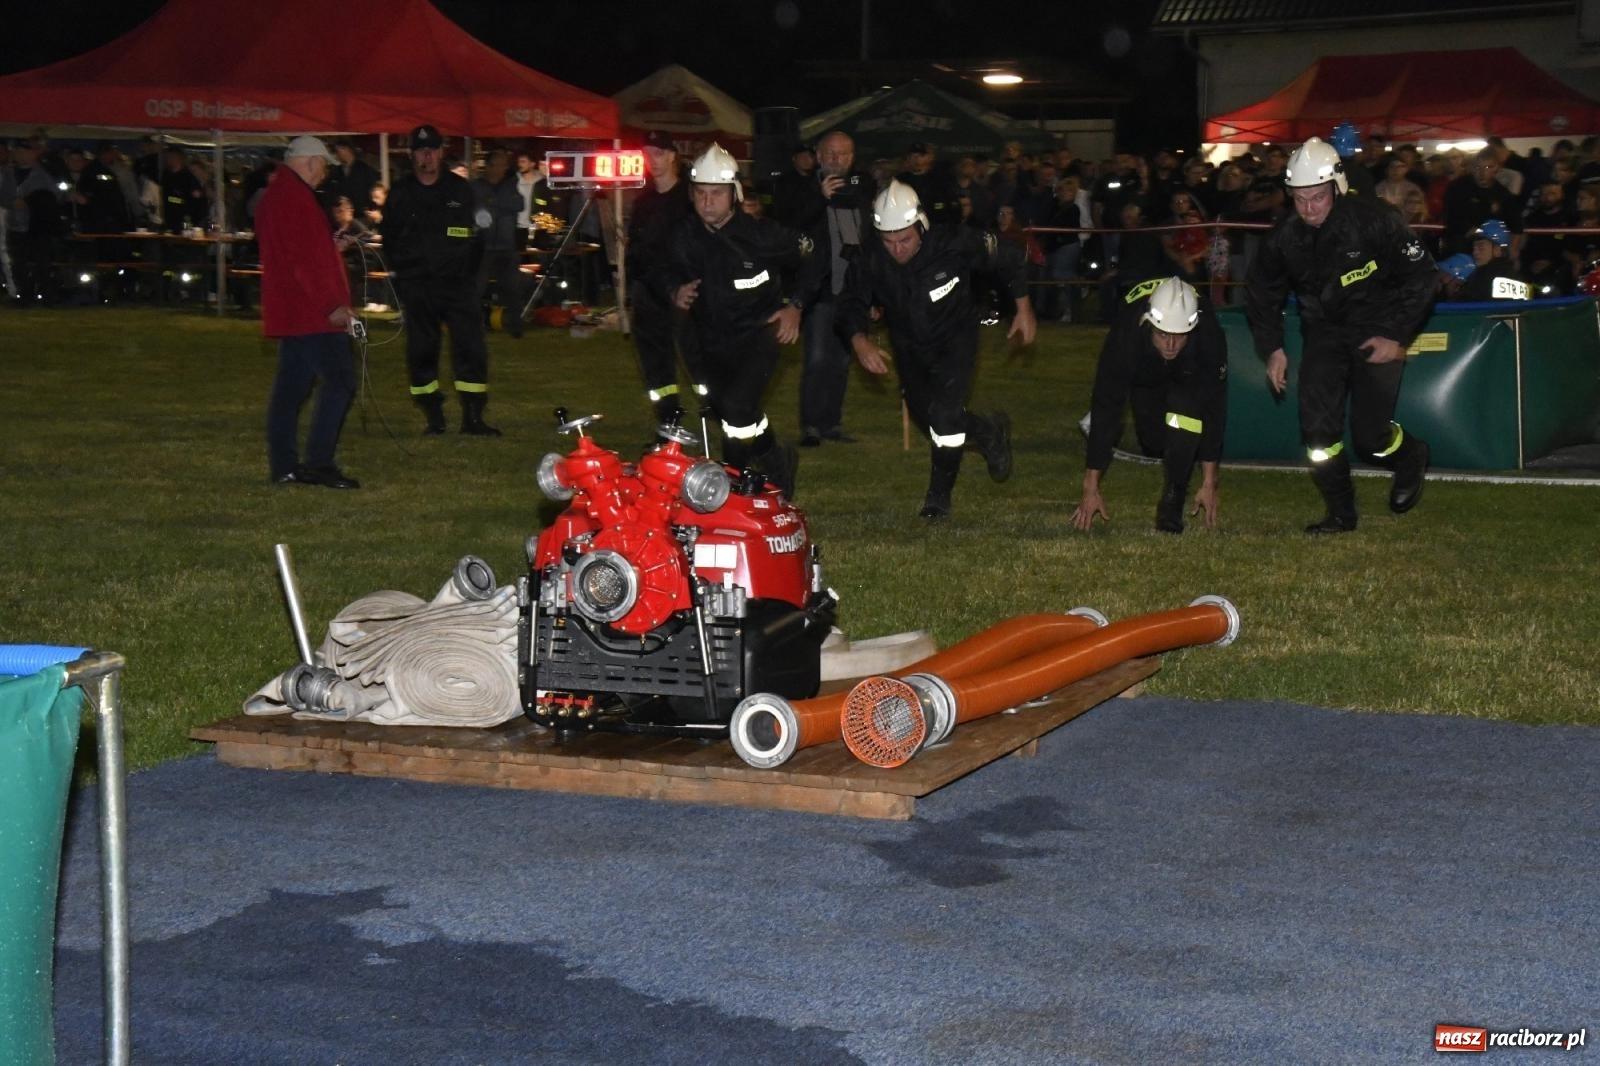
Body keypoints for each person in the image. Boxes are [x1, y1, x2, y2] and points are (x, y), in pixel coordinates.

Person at [1246, 136, 1436, 534]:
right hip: (1324, 334)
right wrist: (1273, 348)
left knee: (1371, 439)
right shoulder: (1285, 236)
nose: (1308, 208)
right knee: (1317, 434)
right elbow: (1262, 290)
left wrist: (1394, 334)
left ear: (1336, 187)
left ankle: (1410, 454)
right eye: (1299, 199)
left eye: (1317, 197)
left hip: (1377, 329)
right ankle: (1340, 512)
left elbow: (1422, 277)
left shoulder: (1375, 219)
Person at [836, 180, 1036, 519]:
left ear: (921, 226)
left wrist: (1024, 308)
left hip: (956, 339)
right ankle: (988, 432)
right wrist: (859, 339)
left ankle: (938, 498)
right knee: (925, 414)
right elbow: (849, 302)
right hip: (908, 345)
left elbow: (1010, 257)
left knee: (944, 418)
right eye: (889, 241)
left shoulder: (954, 242)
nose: (897, 249)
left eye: (905, 239)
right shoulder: (871, 257)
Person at [660, 143, 815, 497]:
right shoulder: (683, 236)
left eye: (716, 193)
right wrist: (674, 290)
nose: (707, 201)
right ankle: (777, 462)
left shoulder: (763, 235)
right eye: (700, 192)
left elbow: (813, 258)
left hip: (763, 332)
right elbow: (660, 268)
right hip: (711, 339)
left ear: (735, 194)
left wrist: (795, 306)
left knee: (737, 408)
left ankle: (734, 485)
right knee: (732, 412)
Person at [1071, 277, 1227, 534]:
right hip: (1144, 376)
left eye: (1179, 336)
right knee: (1154, 443)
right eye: (1163, 334)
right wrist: (1091, 487)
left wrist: (1210, 482)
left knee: (1185, 419)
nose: (1170, 344)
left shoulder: (1208, 333)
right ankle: (1166, 448)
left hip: (1187, 376)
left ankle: (1173, 499)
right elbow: (1107, 406)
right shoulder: (1126, 334)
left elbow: (1215, 406)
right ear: (1148, 324)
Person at [381, 124, 498, 436]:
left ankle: (473, 417)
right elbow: (389, 238)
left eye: (432, 150)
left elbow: (479, 237)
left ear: (442, 152)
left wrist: (471, 279)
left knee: (471, 348)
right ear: (412, 155)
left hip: (458, 286)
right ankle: (433, 415)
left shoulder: (461, 191)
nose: (427, 156)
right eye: (421, 150)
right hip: (418, 286)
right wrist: (404, 274)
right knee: (421, 350)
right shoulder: (401, 193)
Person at [257, 136, 360, 489]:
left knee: (290, 392)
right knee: (340, 381)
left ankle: (285, 467)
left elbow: (298, 254)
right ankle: (318, 463)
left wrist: (331, 249)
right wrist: (331, 305)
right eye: (324, 166)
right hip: (310, 313)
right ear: (311, 161)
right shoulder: (294, 198)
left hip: (293, 311)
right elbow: (303, 262)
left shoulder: (281, 195)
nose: (324, 174)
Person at [787, 129, 874, 447]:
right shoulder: (800, 187)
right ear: (819, 156)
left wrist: (871, 293)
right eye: (831, 153)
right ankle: (811, 425)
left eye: (844, 154)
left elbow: (866, 241)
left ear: (852, 158)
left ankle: (831, 423)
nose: (837, 160)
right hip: (819, 291)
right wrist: (818, 199)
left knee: (841, 360)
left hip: (851, 290)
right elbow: (791, 230)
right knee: (817, 358)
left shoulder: (860, 188)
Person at [624, 130, 699, 427]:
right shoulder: (644, 201)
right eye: (647, 154)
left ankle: (720, 416)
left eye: (658, 154)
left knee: (696, 361)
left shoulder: (689, 199)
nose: (652, 161)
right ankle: (668, 424)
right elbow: (637, 249)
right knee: (656, 366)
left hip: (682, 293)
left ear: (672, 156)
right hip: (648, 293)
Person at [471, 149, 527, 339]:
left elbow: (519, 204)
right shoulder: (476, 186)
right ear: (489, 166)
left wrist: (493, 203)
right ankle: (472, 326)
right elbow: (470, 208)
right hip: (483, 246)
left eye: (505, 164)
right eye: (500, 163)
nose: (504, 167)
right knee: (476, 289)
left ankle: (516, 326)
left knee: (512, 288)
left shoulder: (510, 185)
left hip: (506, 246)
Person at [1458, 220, 1530, 302]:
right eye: (1474, 248)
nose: (1475, 252)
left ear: (1497, 250)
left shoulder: (1484, 276)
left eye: (1481, 247)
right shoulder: (1515, 276)